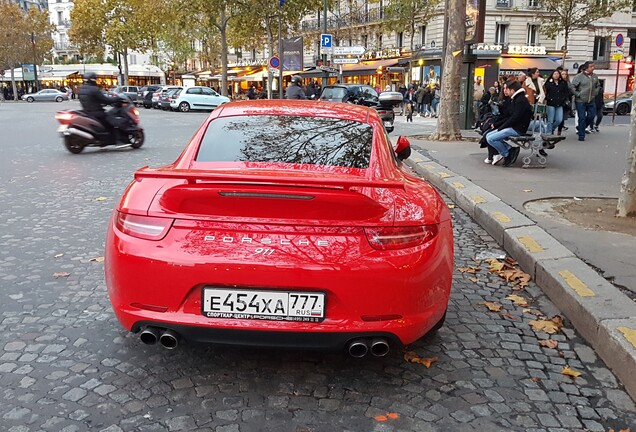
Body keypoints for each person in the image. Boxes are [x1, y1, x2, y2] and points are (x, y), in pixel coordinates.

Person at [486, 79, 532, 167]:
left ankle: (507, 154)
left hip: (518, 129)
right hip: (514, 127)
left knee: (491, 138)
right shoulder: (517, 99)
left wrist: (501, 127)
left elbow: (515, 117)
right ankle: (509, 150)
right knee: (488, 136)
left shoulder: (520, 101)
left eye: (507, 89)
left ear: (512, 90)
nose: (505, 91)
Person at [78, 72, 120, 139]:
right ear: (93, 80)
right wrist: (116, 99)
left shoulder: (81, 89)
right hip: (96, 112)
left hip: (86, 111)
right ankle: (114, 138)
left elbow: (88, 100)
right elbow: (105, 100)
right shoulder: (94, 89)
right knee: (111, 120)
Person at [569, 61, 600, 141]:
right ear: (586, 68)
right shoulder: (579, 76)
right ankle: (581, 135)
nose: (593, 68)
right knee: (582, 117)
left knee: (592, 115)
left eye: (593, 66)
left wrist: (595, 92)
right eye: (591, 66)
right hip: (580, 100)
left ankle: (580, 127)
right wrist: (578, 94)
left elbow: (598, 85)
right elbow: (572, 86)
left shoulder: (595, 76)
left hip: (591, 99)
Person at [543, 69, 570, 135]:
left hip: (560, 103)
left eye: (557, 74)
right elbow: (545, 92)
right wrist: (548, 98)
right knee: (550, 120)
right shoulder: (548, 83)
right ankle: (549, 132)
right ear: (552, 75)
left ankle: (551, 128)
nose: (556, 75)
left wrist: (563, 98)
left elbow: (566, 92)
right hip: (551, 103)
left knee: (559, 119)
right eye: (554, 74)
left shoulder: (563, 83)